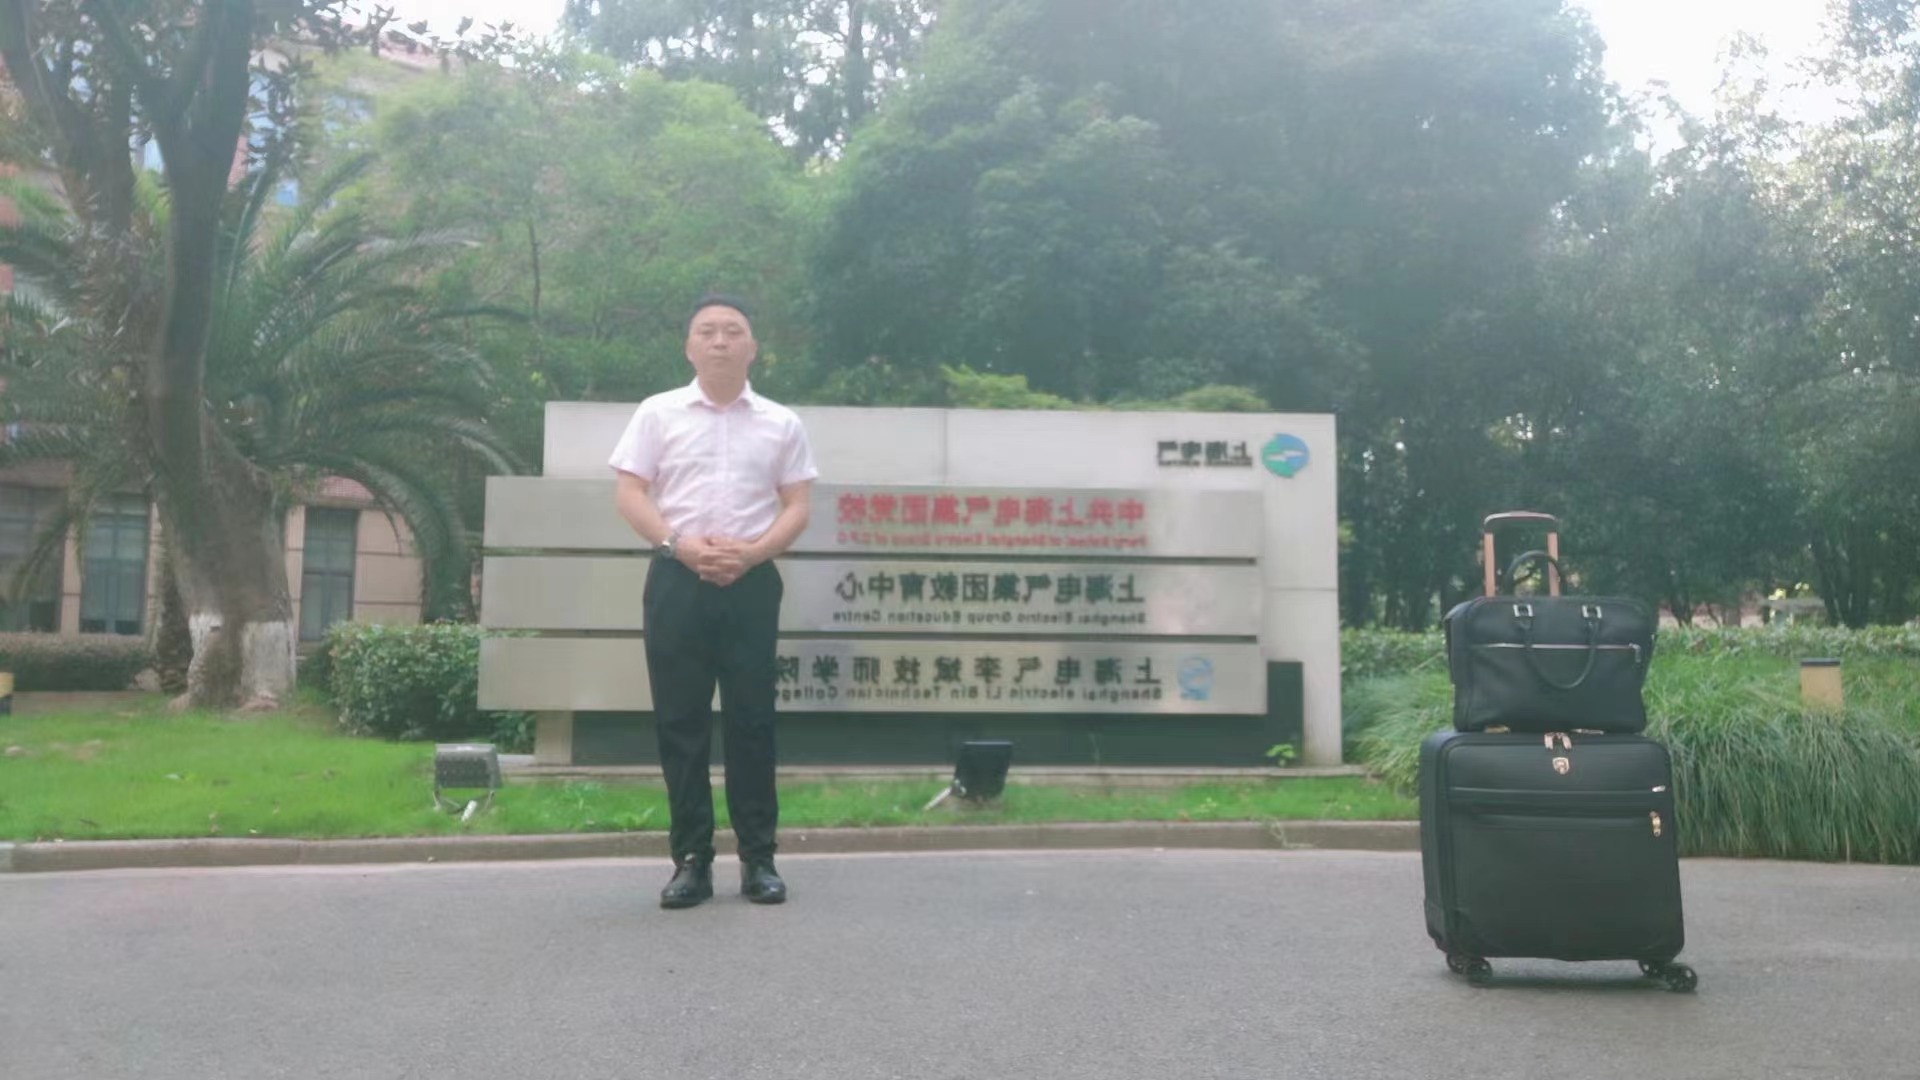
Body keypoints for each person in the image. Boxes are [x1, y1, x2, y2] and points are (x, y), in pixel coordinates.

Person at [608, 293, 817, 909]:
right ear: (689, 347)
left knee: (753, 721)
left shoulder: (781, 422)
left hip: (751, 584)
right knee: (681, 722)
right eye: (707, 331)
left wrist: (752, 554)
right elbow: (630, 493)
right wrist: (679, 546)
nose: (720, 340)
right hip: (677, 580)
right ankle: (691, 861)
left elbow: (798, 505)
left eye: (733, 331)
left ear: (753, 348)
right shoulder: (657, 413)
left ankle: (759, 859)